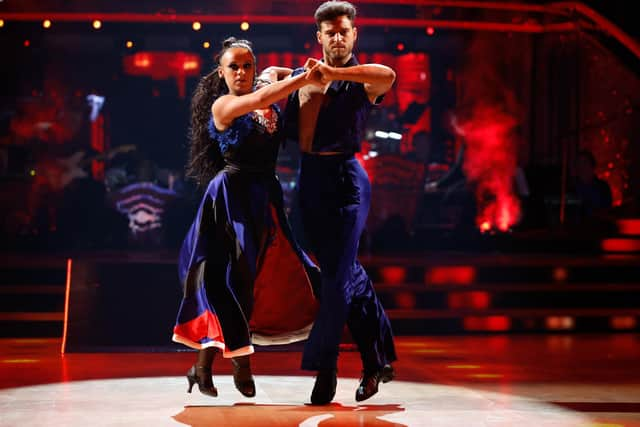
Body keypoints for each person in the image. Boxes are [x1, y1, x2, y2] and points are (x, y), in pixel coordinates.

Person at [172, 37, 325, 399]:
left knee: (249, 281)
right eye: (234, 67)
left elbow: (274, 82)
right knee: (232, 279)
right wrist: (303, 78)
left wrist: (297, 72)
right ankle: (241, 362)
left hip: (264, 197)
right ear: (221, 73)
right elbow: (259, 99)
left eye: (247, 66)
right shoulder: (224, 105)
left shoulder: (266, 87)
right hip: (230, 198)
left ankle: (202, 367)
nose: (241, 72)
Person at [284, 1, 397, 405]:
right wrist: (280, 77)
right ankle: (375, 360)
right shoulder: (305, 77)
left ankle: (325, 367)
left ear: (353, 35)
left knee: (336, 278)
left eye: (342, 31)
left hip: (348, 180)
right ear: (318, 36)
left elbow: (388, 75)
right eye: (328, 32)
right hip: (309, 180)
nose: (336, 37)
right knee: (340, 272)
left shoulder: (362, 78)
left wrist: (333, 73)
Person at [573, 149, 613, 221]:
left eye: (585, 163)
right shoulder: (572, 188)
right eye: (579, 164)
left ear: (592, 166)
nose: (581, 168)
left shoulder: (603, 188)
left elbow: (607, 212)